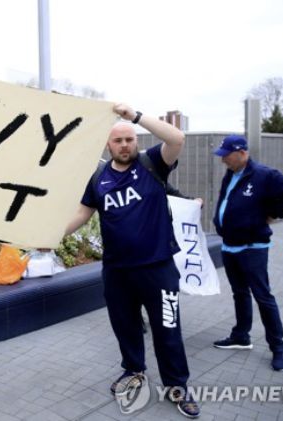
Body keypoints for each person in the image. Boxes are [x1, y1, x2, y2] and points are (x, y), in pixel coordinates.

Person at [65, 103, 200, 419]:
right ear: (108, 145)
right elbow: (82, 214)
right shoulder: (98, 178)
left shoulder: (152, 164)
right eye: (118, 140)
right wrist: (50, 235)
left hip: (158, 269)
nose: (124, 145)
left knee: (167, 330)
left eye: (129, 139)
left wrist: (135, 117)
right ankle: (134, 370)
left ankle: (177, 386)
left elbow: (177, 138)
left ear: (136, 140)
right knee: (125, 327)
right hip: (117, 272)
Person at [211, 135, 283, 371]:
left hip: (252, 248)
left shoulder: (264, 175)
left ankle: (278, 348)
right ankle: (241, 336)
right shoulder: (231, 173)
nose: (223, 160)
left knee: (263, 297)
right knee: (239, 293)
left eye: (227, 155)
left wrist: (274, 213)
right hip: (229, 245)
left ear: (242, 153)